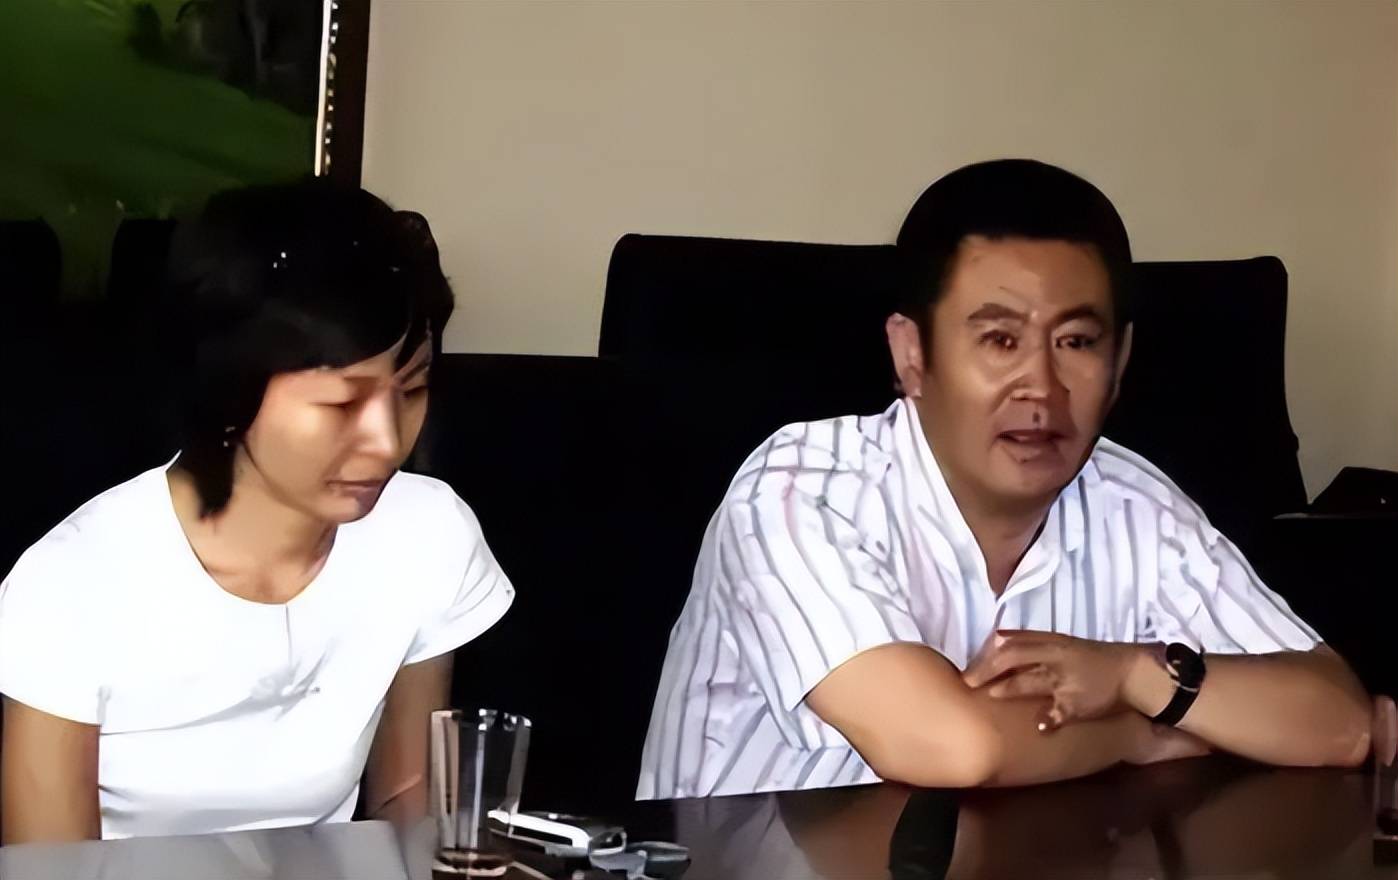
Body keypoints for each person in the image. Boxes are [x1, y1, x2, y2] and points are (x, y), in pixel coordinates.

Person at [637, 159, 1372, 801]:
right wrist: (1142, 733)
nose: (1042, 386)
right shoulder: (800, 490)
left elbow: (1341, 722)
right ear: (912, 354)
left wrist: (1136, 678)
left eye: (1076, 341)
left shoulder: (1130, 501)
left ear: (1119, 362)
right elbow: (948, 745)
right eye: (1000, 339)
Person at [0, 181, 514, 841]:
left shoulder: (427, 533)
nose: (387, 442)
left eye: (411, 390)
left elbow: (409, 806)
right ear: (229, 390)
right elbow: (53, 867)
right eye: (340, 403)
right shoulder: (73, 582)